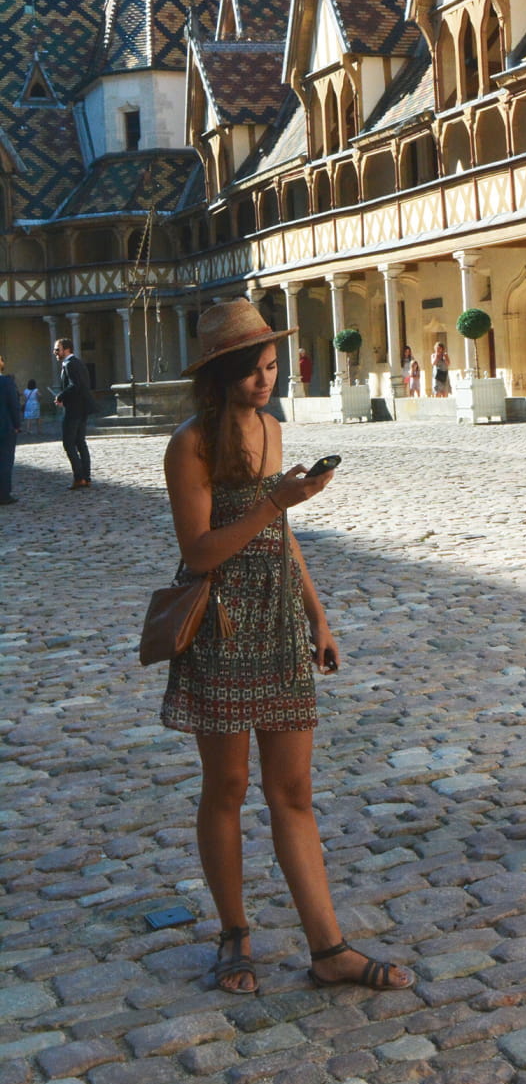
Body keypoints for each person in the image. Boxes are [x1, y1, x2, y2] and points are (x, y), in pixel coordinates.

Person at [161, 299, 414, 998]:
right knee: (229, 787)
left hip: (275, 621)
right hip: (220, 624)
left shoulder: (272, 428)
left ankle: (328, 947)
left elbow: (281, 540)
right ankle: (234, 935)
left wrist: (318, 617)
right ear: (218, 376)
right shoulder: (191, 445)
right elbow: (200, 551)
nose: (265, 382)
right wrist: (276, 502)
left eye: (271, 368)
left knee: (294, 790)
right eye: (251, 372)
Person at [53, 337, 94, 489]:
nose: (55, 352)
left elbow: (75, 385)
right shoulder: (78, 363)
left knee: (69, 443)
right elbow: (80, 387)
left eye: (57, 349)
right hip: (81, 408)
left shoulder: (70, 364)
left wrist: (60, 396)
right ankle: (86, 477)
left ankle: (79, 477)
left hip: (74, 411)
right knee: (80, 443)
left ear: (67, 349)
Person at [0, 354, 20, 505]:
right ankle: (4, 494)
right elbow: (14, 405)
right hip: (5, 427)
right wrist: (17, 425)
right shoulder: (6, 382)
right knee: (5, 462)